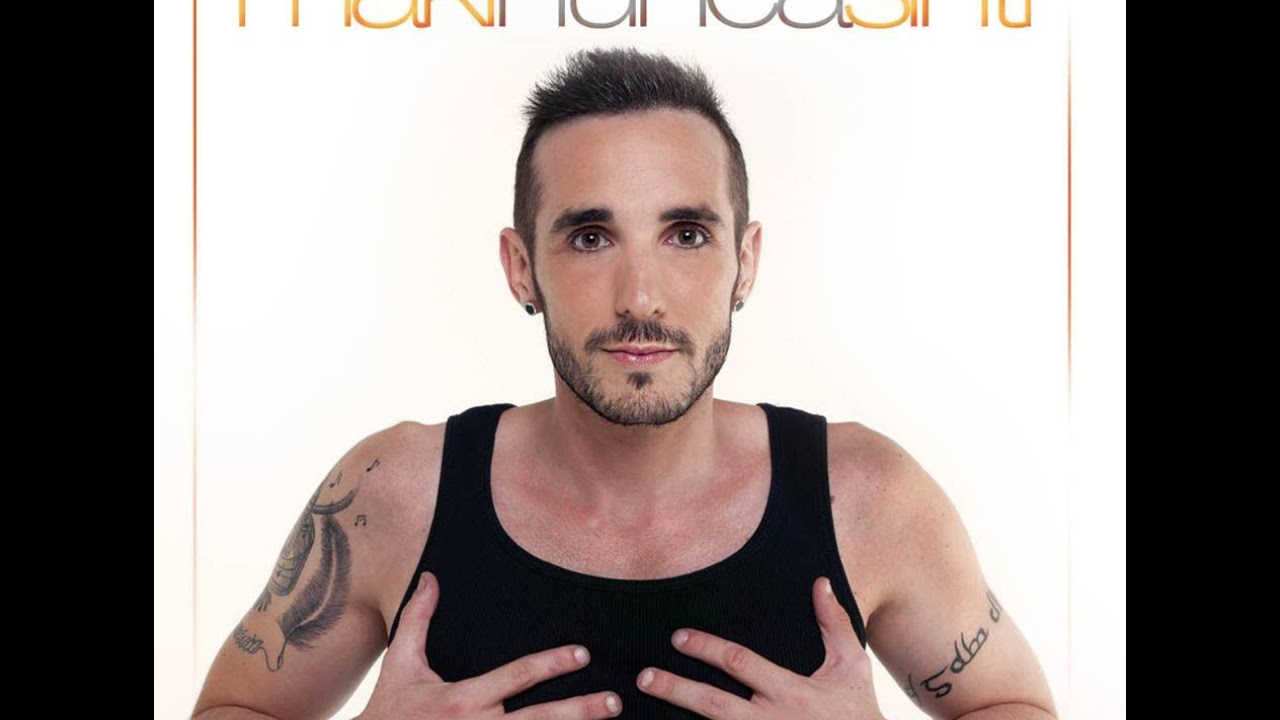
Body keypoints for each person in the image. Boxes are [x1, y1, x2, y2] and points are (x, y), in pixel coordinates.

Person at [190, 47, 1057, 720]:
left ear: (745, 261)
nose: (640, 298)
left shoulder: (867, 496)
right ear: (521, 267)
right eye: (590, 238)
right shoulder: (395, 493)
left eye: (686, 235)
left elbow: (1017, 704)